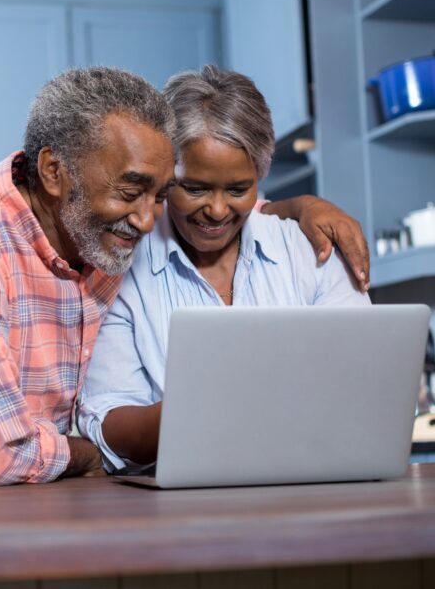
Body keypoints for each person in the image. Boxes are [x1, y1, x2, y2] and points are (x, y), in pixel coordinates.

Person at [0, 66, 369, 487]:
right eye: (134, 192)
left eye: (159, 193)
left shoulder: (97, 236)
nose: (150, 219)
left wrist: (294, 206)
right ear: (55, 171)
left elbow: (222, 204)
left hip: (10, 504)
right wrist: (85, 452)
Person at [77, 65, 371, 474]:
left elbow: (368, 384)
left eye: (238, 190)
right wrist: (202, 413)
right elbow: (107, 415)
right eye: (194, 188)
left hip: (317, 479)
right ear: (164, 176)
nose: (216, 211)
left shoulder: (312, 251)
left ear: (259, 179)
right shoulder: (122, 268)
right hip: (181, 497)